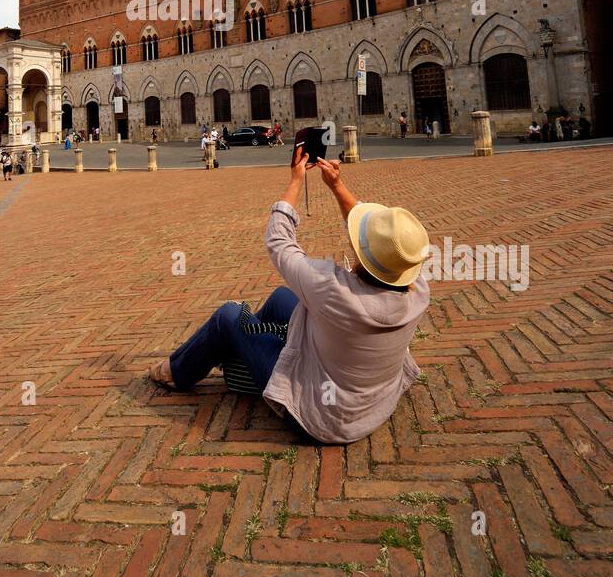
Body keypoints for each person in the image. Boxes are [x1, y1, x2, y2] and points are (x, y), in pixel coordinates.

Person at [148, 150, 430, 445]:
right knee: (282, 297)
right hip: (373, 403)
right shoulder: (418, 289)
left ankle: (176, 372)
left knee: (227, 317)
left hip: (322, 415)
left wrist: (296, 180)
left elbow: (279, 242)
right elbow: (370, 242)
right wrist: (336, 185)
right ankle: (245, 351)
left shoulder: (332, 289)